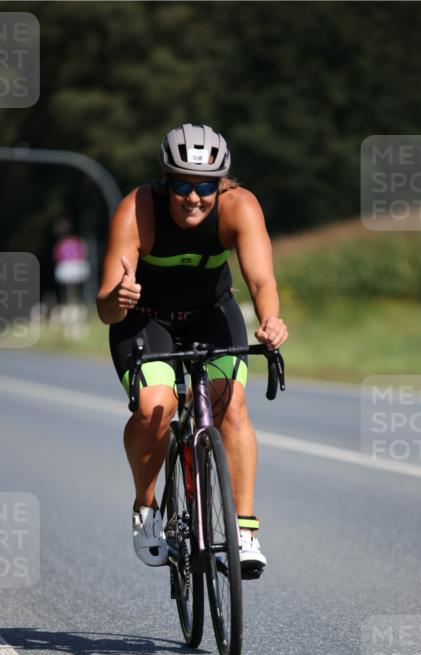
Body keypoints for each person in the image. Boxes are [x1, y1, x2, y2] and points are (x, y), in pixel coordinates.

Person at [97, 123, 288, 577]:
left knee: (233, 407)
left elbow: (261, 280)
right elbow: (106, 307)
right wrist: (115, 299)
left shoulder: (240, 207)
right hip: (144, 316)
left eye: (204, 186)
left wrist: (270, 319)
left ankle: (243, 531)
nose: (192, 197)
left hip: (211, 313)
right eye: (181, 184)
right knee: (156, 408)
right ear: (166, 182)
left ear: (221, 184)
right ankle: (146, 508)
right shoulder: (136, 209)